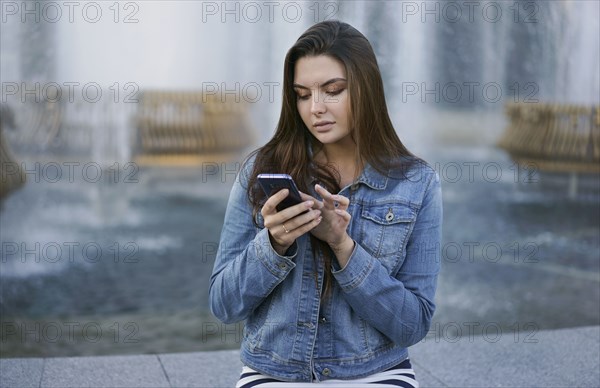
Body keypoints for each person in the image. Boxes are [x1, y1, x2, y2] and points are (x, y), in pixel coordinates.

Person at [209, 20, 442, 387]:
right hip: (275, 370)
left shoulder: (416, 182)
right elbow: (224, 306)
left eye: (332, 90)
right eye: (302, 94)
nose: (315, 108)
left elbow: (412, 324)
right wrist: (274, 245)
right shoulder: (260, 170)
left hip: (375, 370)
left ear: (366, 89)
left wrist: (342, 246)